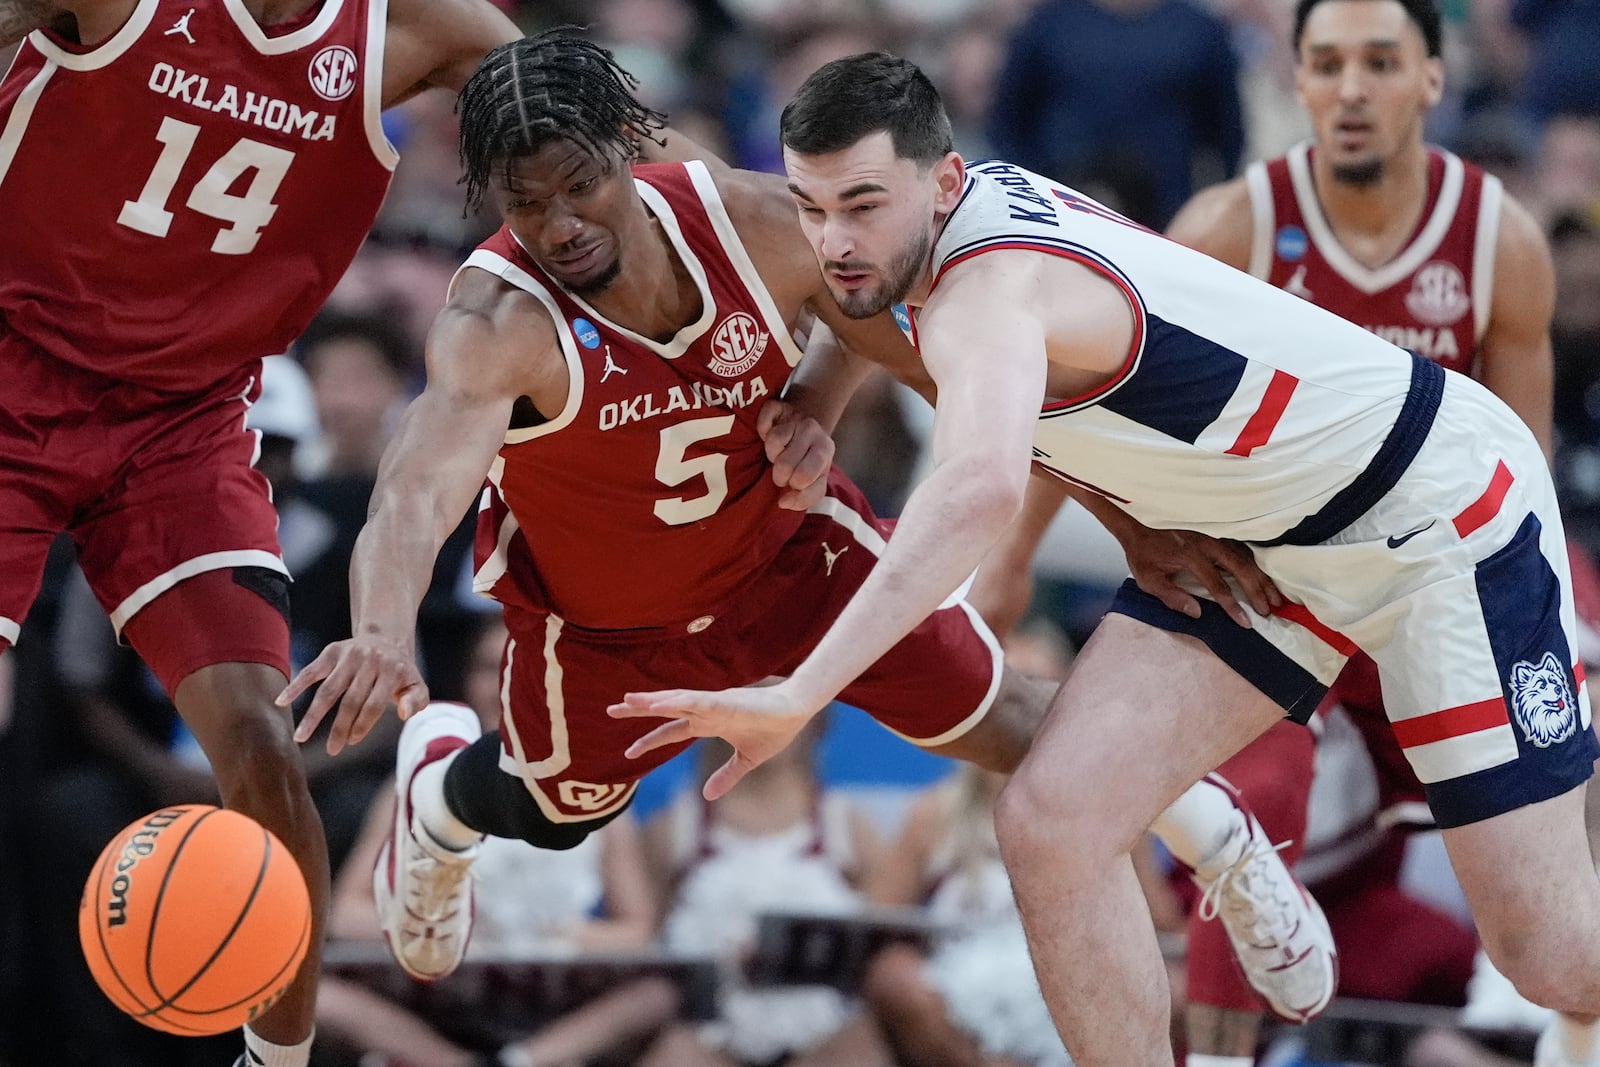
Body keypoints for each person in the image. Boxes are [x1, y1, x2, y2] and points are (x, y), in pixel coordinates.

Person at [278, 29, 1336, 1035]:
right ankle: (440, 800)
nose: (560, 225)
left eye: (577, 184)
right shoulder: (496, 324)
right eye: (526, 202)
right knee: (555, 812)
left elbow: (947, 373)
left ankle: (1226, 840)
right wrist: (378, 628)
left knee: (1008, 720)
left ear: (625, 154)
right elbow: (413, 489)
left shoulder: (755, 222)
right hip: (599, 623)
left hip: (789, 557)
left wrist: (1125, 520)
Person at [608, 50, 1600, 1067]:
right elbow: (867, 299)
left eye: (859, 205)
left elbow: (979, 489)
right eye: (813, 209)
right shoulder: (927, 227)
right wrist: (821, 388)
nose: (833, 240)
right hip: (1265, 543)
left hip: (1436, 515)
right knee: (1048, 822)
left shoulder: (987, 295)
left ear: (944, 181)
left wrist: (801, 690)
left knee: (1552, 958)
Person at [0, 0, 522, 1059]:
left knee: (261, 745)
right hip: (15, 368)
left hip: (180, 422)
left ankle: (274, 1058)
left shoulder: (419, 29)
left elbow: (623, 142)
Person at [1146, 0, 1561, 1061]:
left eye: (1380, 63)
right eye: (1326, 64)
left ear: (1431, 78)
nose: (1351, 89)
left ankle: (1564, 1001)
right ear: (1295, 80)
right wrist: (1026, 557)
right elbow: (1118, 410)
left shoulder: (1496, 241)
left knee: (1575, 733)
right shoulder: (1230, 226)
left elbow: (1525, 478)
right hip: (1287, 578)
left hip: (1437, 575)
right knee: (1254, 808)